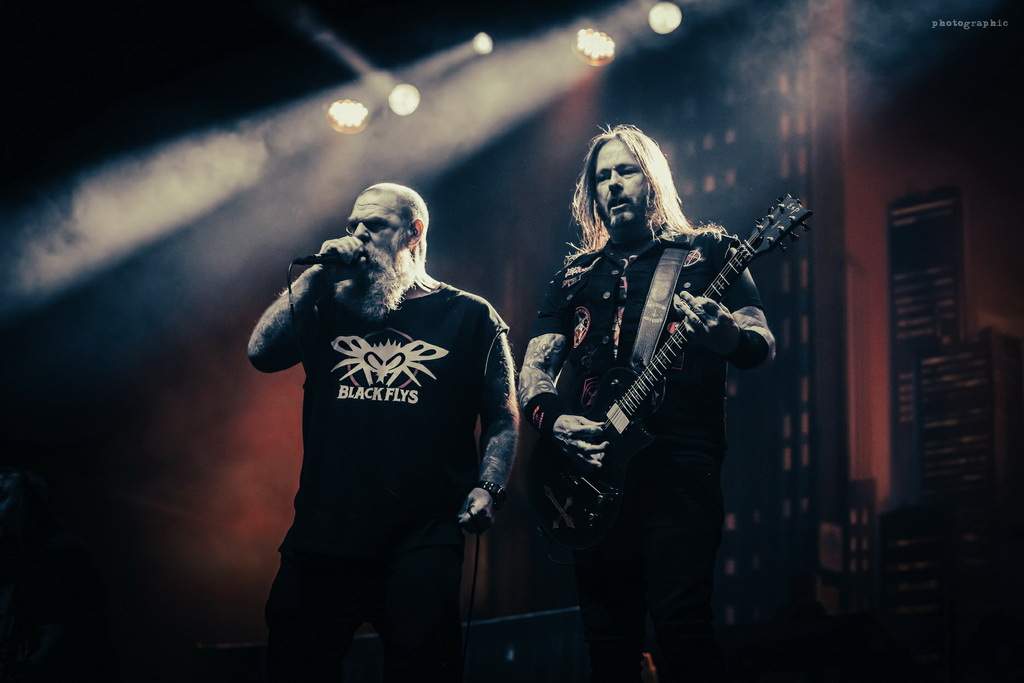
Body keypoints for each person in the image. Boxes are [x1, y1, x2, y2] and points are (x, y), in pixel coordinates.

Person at [518, 125, 775, 682]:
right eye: (602, 176)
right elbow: (533, 371)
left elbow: (762, 343)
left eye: (625, 171)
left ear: (653, 179)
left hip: (679, 469)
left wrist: (725, 335)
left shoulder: (711, 252)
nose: (613, 184)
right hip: (591, 476)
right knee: (607, 643)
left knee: (684, 627)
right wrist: (555, 422)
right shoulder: (572, 277)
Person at [248, 182, 517, 681]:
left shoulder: (470, 315)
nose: (358, 235)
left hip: (422, 538)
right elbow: (261, 354)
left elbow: (502, 416)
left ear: (413, 233)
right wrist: (316, 276)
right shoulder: (329, 303)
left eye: (374, 225)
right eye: (352, 225)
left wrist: (490, 486)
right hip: (323, 536)